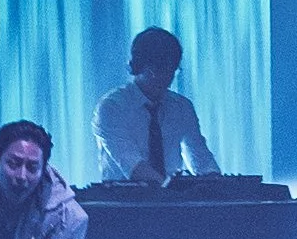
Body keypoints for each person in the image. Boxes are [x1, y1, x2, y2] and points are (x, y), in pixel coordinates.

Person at [90, 25, 220, 187]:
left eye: (170, 70)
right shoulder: (111, 108)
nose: (164, 77)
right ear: (138, 67)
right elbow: (132, 165)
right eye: (156, 69)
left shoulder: (181, 107)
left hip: (174, 202)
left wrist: (215, 182)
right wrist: (173, 189)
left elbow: (200, 157)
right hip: (122, 201)